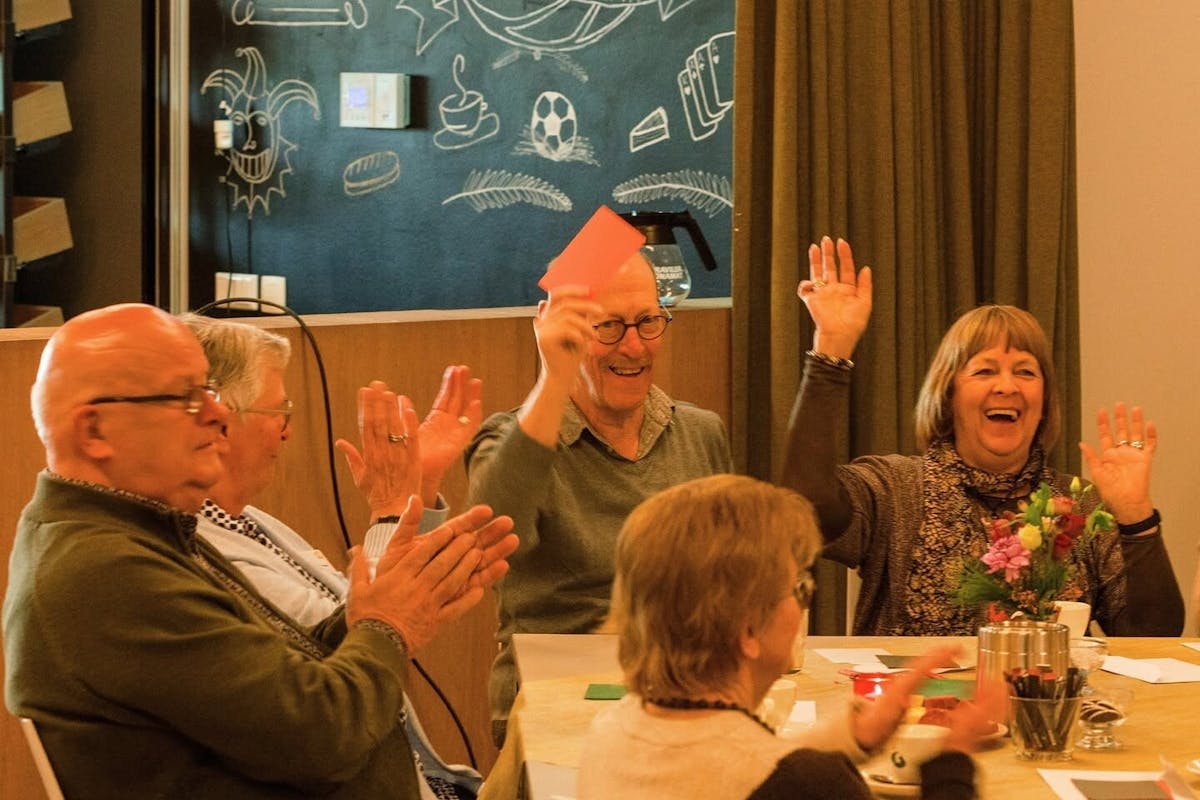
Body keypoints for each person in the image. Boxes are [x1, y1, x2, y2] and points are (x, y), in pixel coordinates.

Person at [2, 303, 517, 799]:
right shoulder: (106, 575)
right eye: (186, 398)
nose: (218, 414)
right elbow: (324, 737)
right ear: (94, 431)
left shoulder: (133, 531)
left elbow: (295, 668)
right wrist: (389, 625)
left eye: (209, 392)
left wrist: (390, 605)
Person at [781, 236, 1184, 636]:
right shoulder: (895, 489)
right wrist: (831, 351)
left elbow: (1154, 636)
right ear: (949, 395)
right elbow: (805, 511)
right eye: (985, 370)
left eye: (1025, 372)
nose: (1006, 386)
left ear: (1044, 401)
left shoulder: (1075, 507)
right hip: (917, 682)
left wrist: (1136, 518)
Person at [182, 314, 486, 798]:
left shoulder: (244, 519)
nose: (287, 432)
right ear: (220, 419)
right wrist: (391, 509)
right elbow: (355, 636)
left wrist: (415, 491)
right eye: (279, 412)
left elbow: (360, 614)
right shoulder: (199, 550)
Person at [577, 474, 1004, 800]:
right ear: (748, 630)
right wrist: (953, 760)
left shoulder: (611, 732)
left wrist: (857, 734)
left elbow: (734, 766)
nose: (802, 605)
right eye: (798, 587)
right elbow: (773, 777)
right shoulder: (808, 785)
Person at [466, 250, 732, 744]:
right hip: (558, 707)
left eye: (648, 321)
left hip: (686, 699)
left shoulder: (701, 433)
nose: (633, 346)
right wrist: (555, 377)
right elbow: (491, 536)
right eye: (608, 326)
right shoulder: (511, 440)